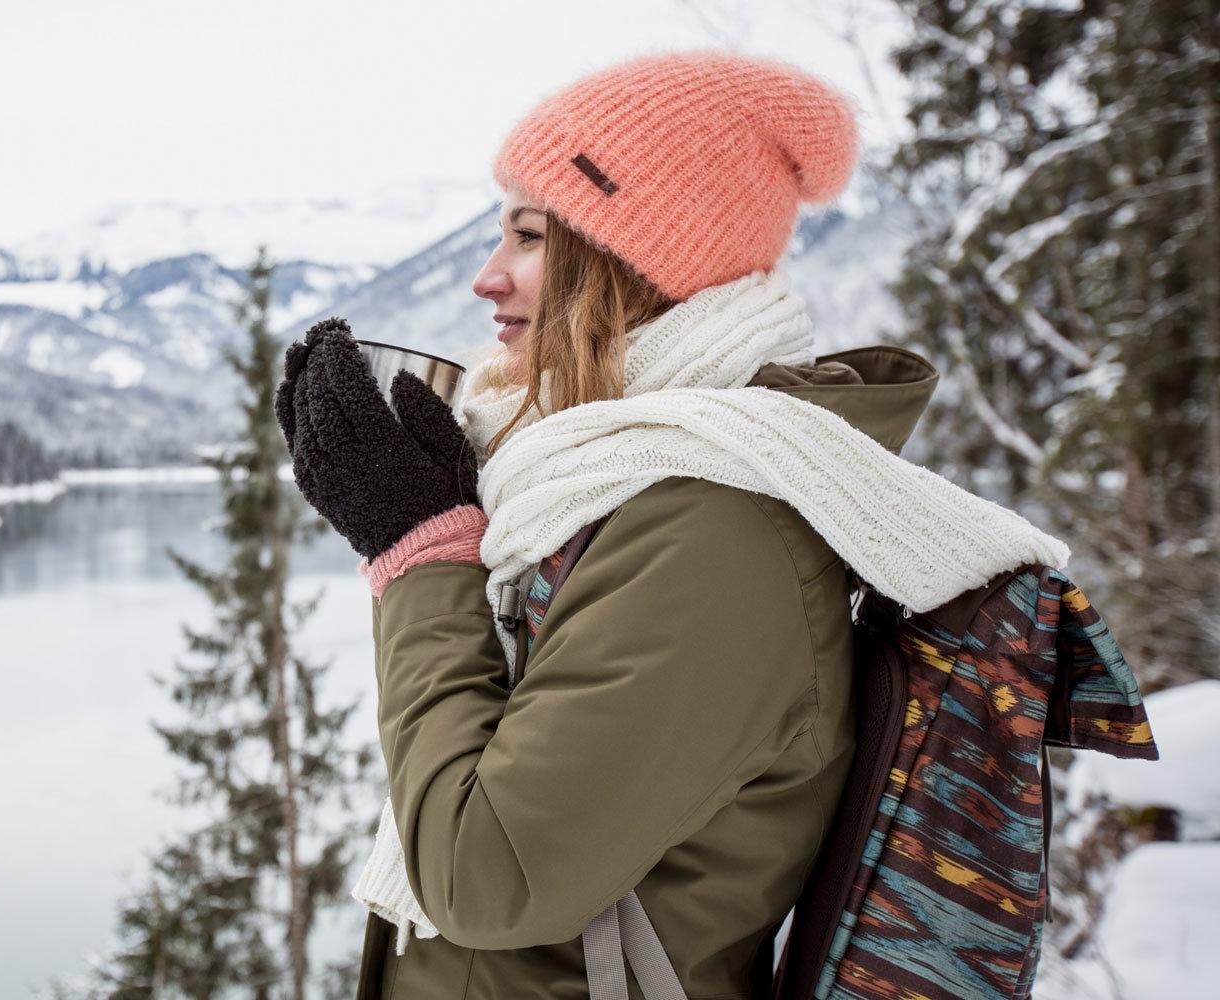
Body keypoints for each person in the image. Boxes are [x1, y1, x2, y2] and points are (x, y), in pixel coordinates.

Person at [276, 49, 1058, 999]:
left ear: (639, 259)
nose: (487, 277)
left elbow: (489, 877)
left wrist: (421, 554)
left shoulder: (714, 532)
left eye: (529, 234)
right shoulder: (601, 486)